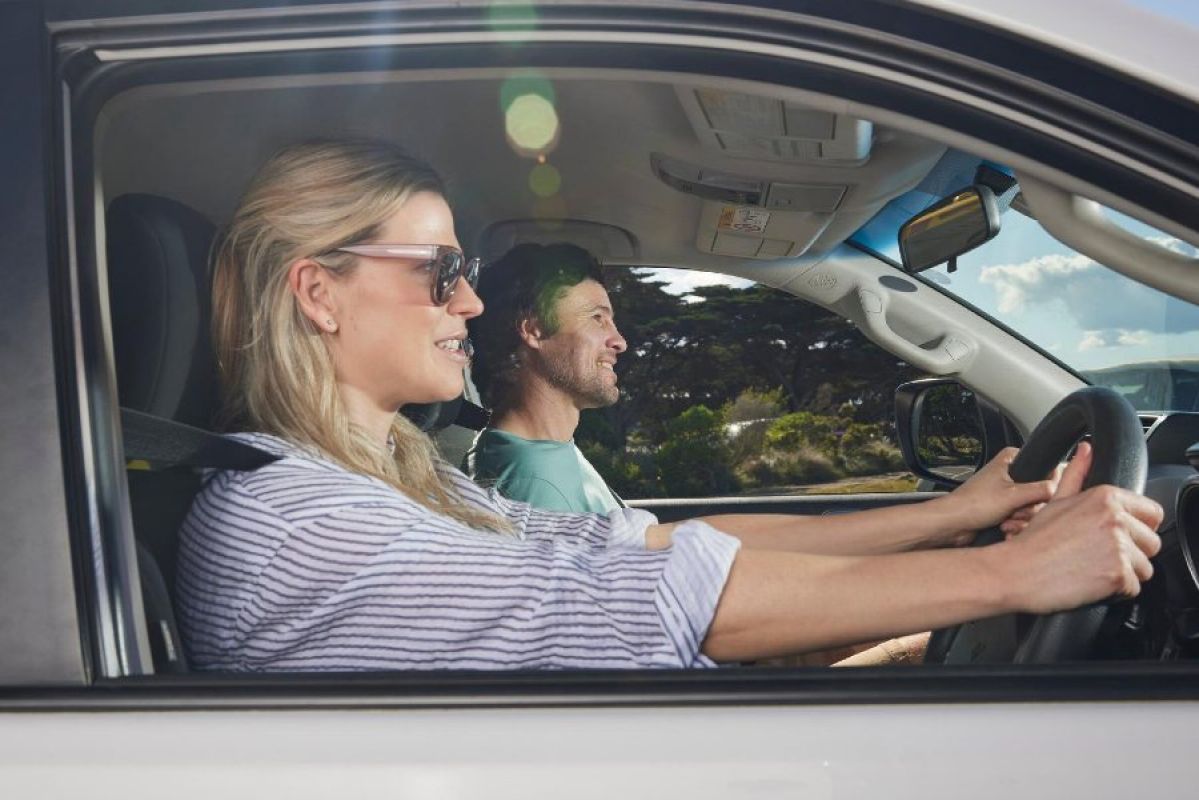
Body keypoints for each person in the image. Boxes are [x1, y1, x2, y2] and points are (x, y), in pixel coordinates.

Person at [175, 138, 1163, 672]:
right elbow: (648, 593)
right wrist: (1010, 573)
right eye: (440, 272)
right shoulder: (287, 520)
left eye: (466, 272)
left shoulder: (404, 473)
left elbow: (641, 547)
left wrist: (959, 516)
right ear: (317, 291)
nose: (470, 302)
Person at [464, 242, 624, 513]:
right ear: (534, 331)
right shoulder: (536, 487)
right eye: (598, 318)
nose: (619, 341)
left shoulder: (537, 451)